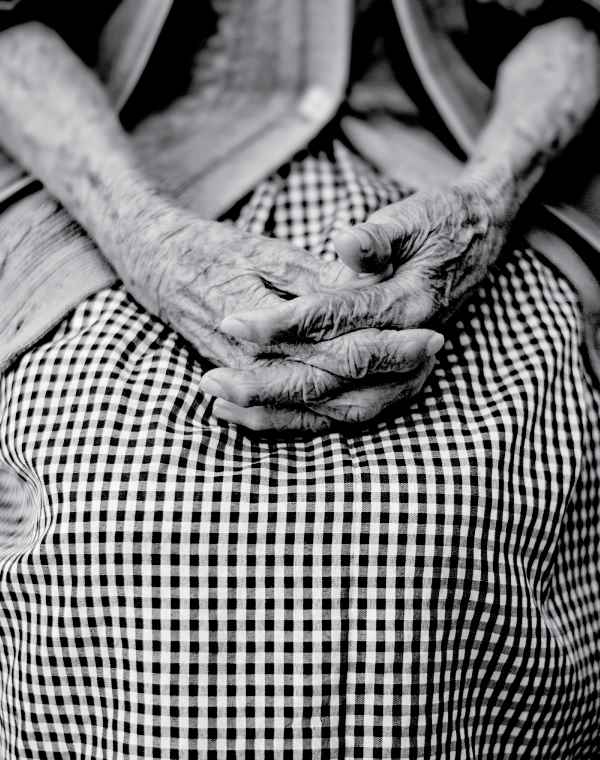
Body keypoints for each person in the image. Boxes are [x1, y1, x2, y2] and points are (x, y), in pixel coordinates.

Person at [0, 0, 599, 756]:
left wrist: (488, 201)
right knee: (117, 518)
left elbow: (578, 25)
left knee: (453, 522)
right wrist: (145, 235)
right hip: (115, 176)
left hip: (462, 171)